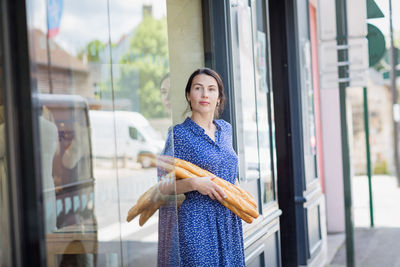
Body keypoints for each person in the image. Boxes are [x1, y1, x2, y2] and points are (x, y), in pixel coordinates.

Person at [158, 68, 245, 266]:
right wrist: (195, 184)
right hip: (197, 221)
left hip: (229, 218)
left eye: (211, 89)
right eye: (198, 88)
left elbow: (229, 169)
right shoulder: (179, 135)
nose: (205, 94)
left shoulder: (226, 129)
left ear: (219, 97)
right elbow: (162, 186)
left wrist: (239, 194)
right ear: (189, 95)